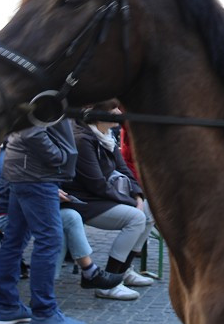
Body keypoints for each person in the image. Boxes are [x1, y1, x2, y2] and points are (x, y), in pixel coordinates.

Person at [0, 121, 86, 324]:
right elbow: (32, 131)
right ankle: (44, 312)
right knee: (49, 240)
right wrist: (60, 156)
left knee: (14, 240)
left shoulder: (36, 89)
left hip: (22, 169)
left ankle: (8, 307)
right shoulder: (47, 89)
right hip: (36, 173)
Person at [62, 102, 155, 301]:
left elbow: (124, 169)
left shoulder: (105, 136)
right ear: (97, 114)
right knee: (136, 218)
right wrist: (131, 203)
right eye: (112, 109)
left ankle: (124, 271)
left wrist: (137, 195)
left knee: (149, 211)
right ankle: (109, 283)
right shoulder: (83, 139)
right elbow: (95, 184)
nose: (119, 112)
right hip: (83, 201)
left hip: (102, 197)